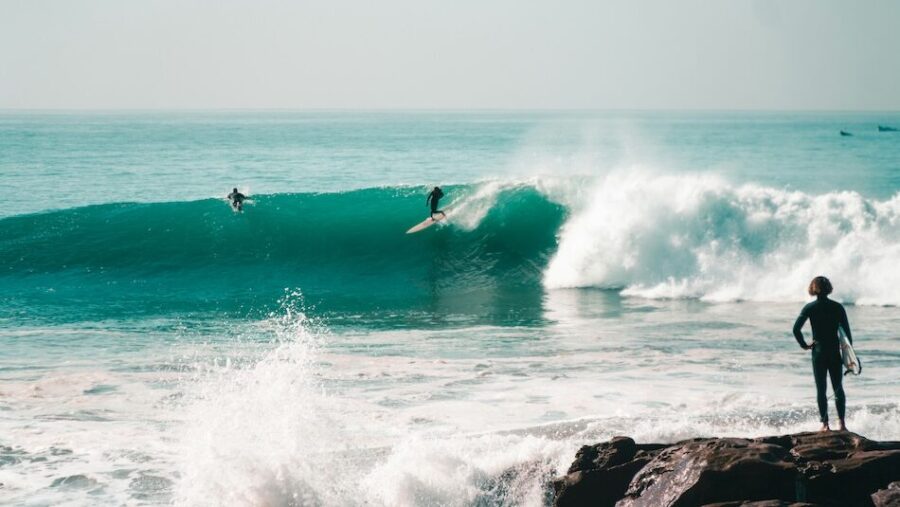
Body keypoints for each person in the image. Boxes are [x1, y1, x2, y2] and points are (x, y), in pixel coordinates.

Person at [792, 276, 852, 432]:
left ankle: (825, 425)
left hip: (818, 352)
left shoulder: (809, 308)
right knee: (838, 388)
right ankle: (842, 424)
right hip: (834, 352)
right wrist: (849, 356)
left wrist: (804, 345)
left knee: (821, 389)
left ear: (813, 288)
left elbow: (796, 329)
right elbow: (847, 335)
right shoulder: (838, 307)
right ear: (829, 288)